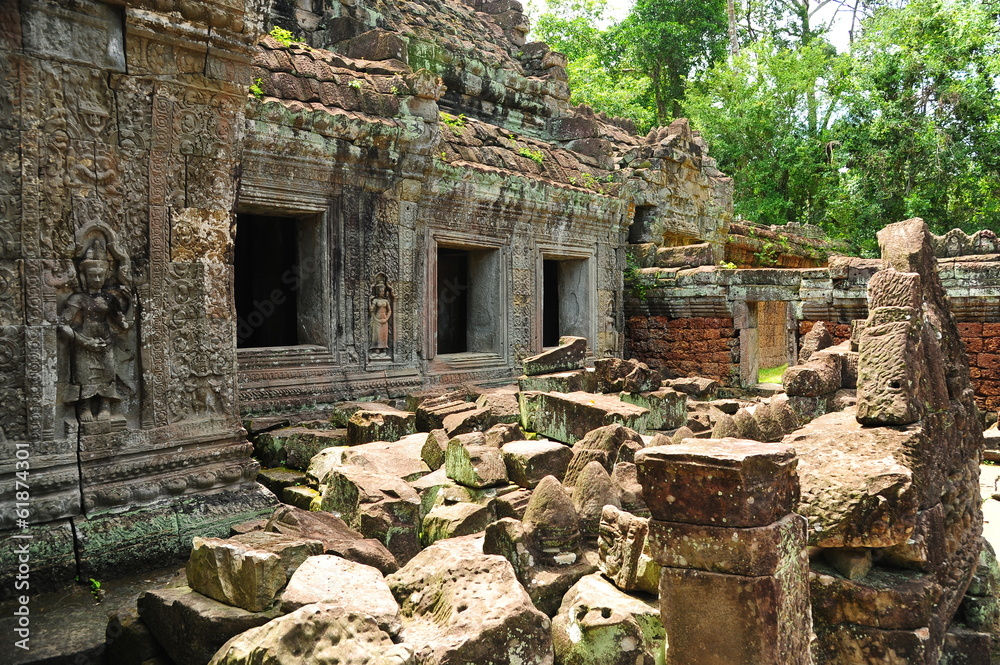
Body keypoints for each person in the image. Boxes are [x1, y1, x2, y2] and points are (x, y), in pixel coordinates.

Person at [60, 239, 130, 422]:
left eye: (100, 275)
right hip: (83, 339)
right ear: (84, 276)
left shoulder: (109, 299)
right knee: (84, 374)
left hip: (105, 340)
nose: (97, 279)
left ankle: (105, 405)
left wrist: (130, 304)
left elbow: (123, 324)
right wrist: (84, 341)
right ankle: (84, 406)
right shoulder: (78, 299)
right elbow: (63, 325)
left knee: (107, 371)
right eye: (93, 275)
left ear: (106, 275)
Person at [368, 278, 392, 359]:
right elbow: (371, 310)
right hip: (377, 320)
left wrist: (386, 319)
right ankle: (376, 350)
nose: (382, 292)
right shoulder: (375, 300)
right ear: (377, 291)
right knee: (377, 335)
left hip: (384, 320)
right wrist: (369, 300)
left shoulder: (386, 301)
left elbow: (389, 311)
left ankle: (384, 350)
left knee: (384, 335)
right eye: (380, 291)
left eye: (383, 291)